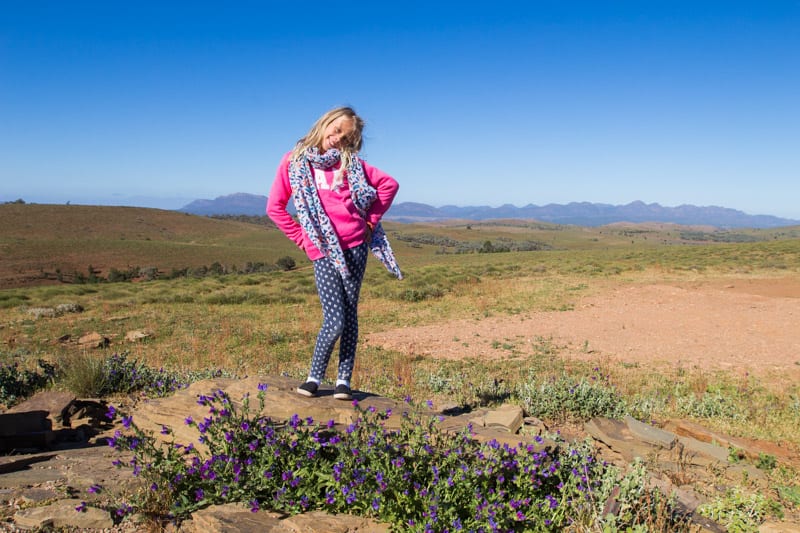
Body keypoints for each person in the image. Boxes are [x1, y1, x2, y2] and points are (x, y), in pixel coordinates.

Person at [267, 106, 402, 400]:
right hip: (323, 251)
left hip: (355, 246)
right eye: (337, 129)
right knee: (335, 319)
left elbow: (389, 185)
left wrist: (370, 221)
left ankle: (343, 380)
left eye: (347, 137)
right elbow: (275, 208)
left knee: (350, 315)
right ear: (326, 122)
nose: (338, 138)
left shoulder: (352, 164)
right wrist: (303, 239)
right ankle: (314, 376)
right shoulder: (294, 163)